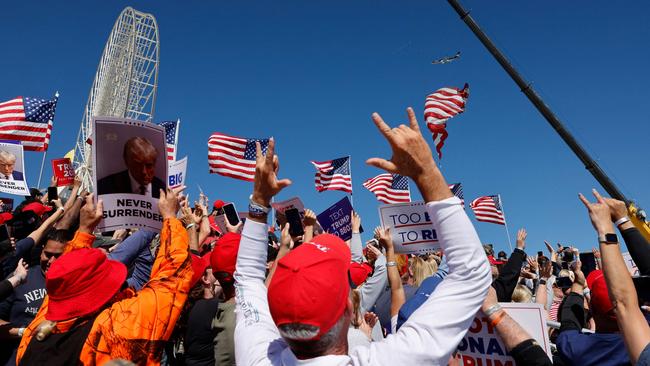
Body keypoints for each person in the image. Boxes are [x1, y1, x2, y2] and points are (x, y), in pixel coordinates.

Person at [233, 107, 491, 364]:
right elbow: (472, 273)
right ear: (348, 309)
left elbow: (246, 278)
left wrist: (258, 201)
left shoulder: (257, 357)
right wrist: (426, 171)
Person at [15, 189, 192, 365]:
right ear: (102, 292)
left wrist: (84, 230)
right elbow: (172, 279)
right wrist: (170, 218)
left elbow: (68, 277)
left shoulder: (35, 333)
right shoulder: (114, 329)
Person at [579, 190, 650, 365]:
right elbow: (624, 304)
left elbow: (624, 303)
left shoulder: (574, 347)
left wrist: (609, 226)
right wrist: (621, 221)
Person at [96, 137, 165, 198]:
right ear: (126, 162)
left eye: (149, 165)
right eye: (138, 165)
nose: (144, 172)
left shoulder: (163, 190)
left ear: (155, 164)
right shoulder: (105, 187)